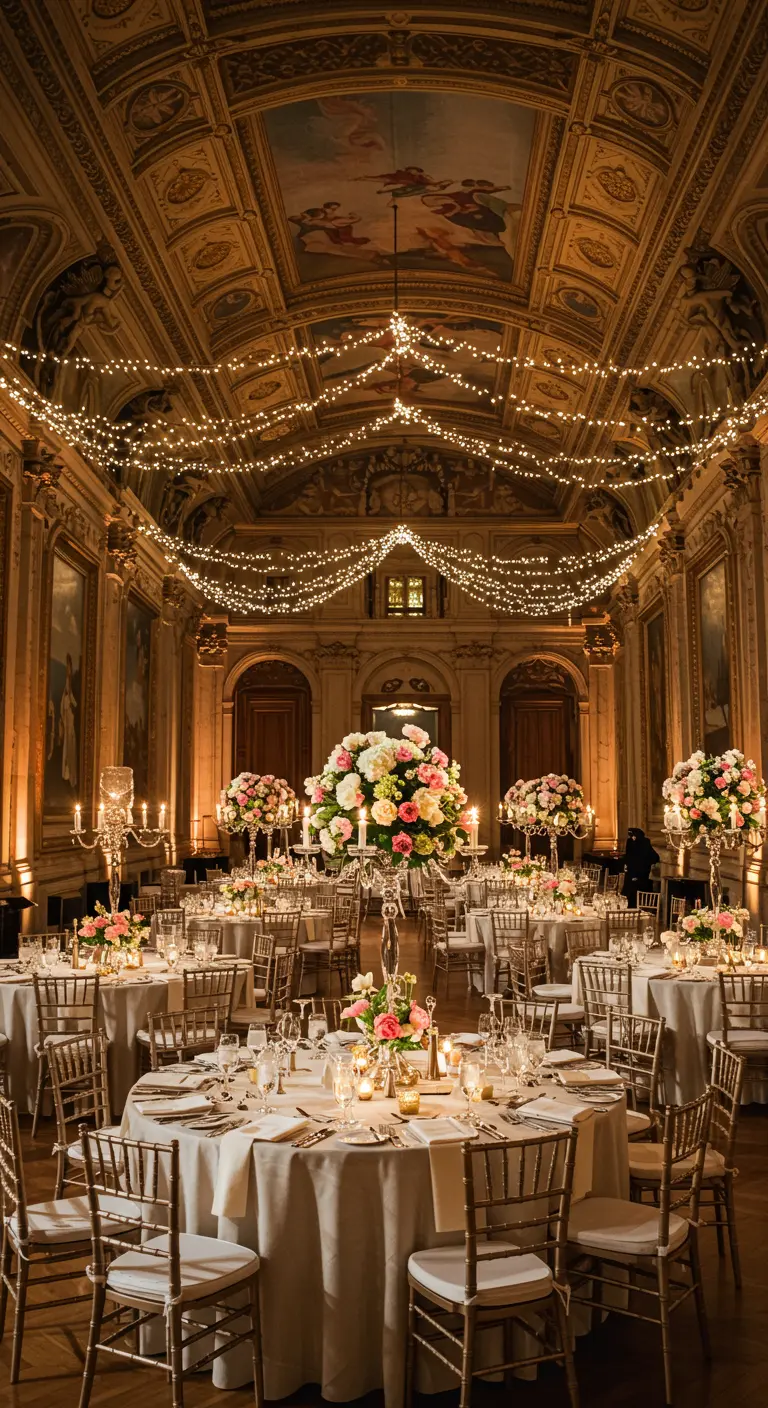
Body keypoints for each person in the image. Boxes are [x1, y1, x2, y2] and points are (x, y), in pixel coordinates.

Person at [622, 827, 659, 907]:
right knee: (630, 892)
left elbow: (653, 857)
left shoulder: (644, 843)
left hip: (642, 874)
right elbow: (628, 856)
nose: (633, 838)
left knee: (638, 892)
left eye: (634, 836)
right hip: (631, 872)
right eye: (631, 836)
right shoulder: (630, 842)